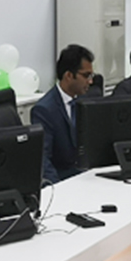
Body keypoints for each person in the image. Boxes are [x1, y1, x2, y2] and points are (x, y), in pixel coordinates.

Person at [30, 44, 94, 184]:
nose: (90, 81)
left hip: (87, 175)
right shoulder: (45, 110)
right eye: (86, 76)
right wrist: (58, 188)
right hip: (63, 179)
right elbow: (43, 159)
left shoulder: (86, 101)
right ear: (69, 75)